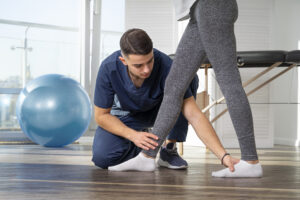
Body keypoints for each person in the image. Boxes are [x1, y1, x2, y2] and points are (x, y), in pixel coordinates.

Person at [108, 0, 263, 178]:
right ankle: (147, 156)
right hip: (198, 9)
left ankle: (251, 161)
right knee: (173, 85)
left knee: (228, 80)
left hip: (213, 5)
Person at [92, 28, 199, 170]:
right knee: (102, 158)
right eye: (138, 65)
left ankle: (169, 149)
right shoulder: (108, 68)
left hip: (163, 113)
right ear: (123, 61)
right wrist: (133, 136)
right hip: (129, 115)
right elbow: (101, 116)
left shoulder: (167, 65)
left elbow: (192, 113)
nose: (146, 70)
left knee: (188, 79)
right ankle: (145, 148)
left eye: (150, 61)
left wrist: (224, 156)